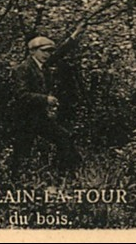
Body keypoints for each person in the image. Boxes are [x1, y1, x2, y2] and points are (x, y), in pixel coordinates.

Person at [8, 20, 86, 172]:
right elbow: (21, 95)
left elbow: (60, 52)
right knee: (21, 153)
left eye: (49, 51)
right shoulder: (23, 69)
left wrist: (76, 33)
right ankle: (13, 184)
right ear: (32, 51)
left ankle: (63, 174)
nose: (47, 54)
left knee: (64, 137)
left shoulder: (43, 65)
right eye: (44, 51)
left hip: (40, 118)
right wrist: (45, 99)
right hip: (24, 119)